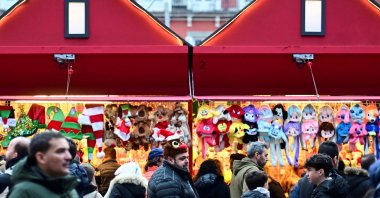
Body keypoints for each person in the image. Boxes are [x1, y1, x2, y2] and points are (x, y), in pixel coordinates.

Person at [7, 132, 79, 198]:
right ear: (41, 157)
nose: (69, 157)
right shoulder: (24, 192)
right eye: (60, 151)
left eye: (67, 150)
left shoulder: (68, 187)